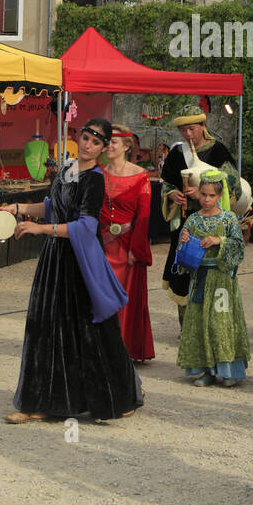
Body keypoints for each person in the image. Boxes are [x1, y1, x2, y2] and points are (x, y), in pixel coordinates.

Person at [3, 118, 142, 425]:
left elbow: (87, 226)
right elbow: (53, 205)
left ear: (104, 148)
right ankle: (40, 403)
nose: (89, 144)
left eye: (96, 141)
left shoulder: (95, 179)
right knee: (46, 329)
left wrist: (41, 229)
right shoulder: (66, 169)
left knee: (94, 331)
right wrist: (19, 209)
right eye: (86, 137)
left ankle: (121, 395)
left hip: (79, 261)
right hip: (54, 259)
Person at [160, 107, 240, 327]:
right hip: (185, 225)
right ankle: (187, 327)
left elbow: (232, 186)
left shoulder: (219, 152)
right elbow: (166, 181)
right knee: (184, 271)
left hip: (212, 224)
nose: (188, 135)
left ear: (203, 127)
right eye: (183, 130)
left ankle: (211, 326)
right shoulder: (177, 154)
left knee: (210, 273)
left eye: (192, 129)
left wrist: (203, 193)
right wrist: (171, 193)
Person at [176, 169, 249, 387]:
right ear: (198, 193)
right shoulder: (192, 219)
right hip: (199, 278)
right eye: (203, 194)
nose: (207, 200)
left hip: (221, 280)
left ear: (220, 196)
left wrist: (219, 240)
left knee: (221, 323)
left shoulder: (228, 219)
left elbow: (239, 248)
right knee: (200, 323)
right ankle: (205, 370)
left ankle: (228, 370)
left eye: (212, 195)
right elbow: (181, 255)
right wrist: (184, 240)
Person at [100, 124, 154, 363]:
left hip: (127, 245)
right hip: (102, 244)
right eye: (107, 141)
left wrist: (136, 249)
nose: (109, 146)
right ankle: (102, 348)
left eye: (114, 142)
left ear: (126, 145)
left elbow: (143, 217)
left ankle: (124, 349)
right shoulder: (97, 173)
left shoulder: (140, 176)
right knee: (101, 296)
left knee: (125, 297)